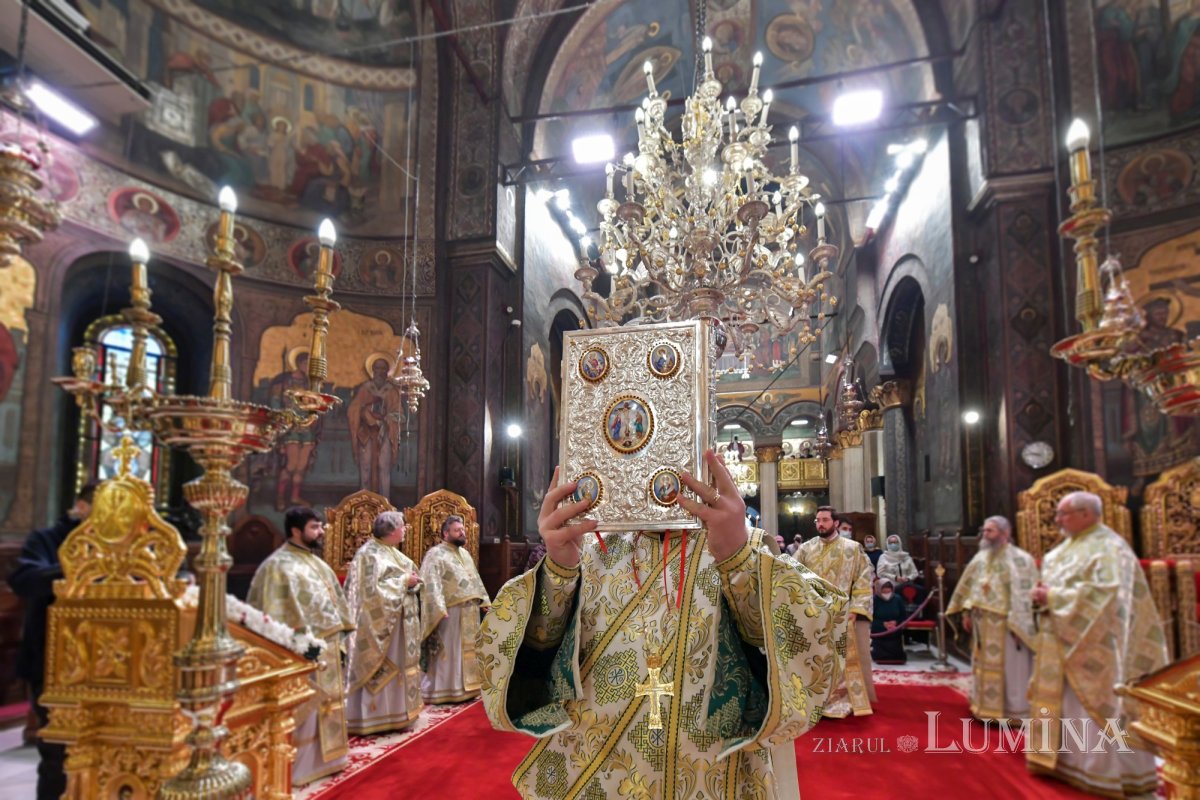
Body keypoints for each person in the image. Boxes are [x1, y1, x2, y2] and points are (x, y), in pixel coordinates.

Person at [479, 451, 846, 798]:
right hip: (594, 770)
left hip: (712, 775)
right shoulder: (589, 548)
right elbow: (535, 651)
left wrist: (739, 561)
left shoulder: (739, 543)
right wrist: (558, 571)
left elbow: (805, 649)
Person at [1026, 491, 1168, 798]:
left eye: (1064, 514)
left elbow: (1107, 594)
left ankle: (1101, 772)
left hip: (1097, 645)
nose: (1057, 520)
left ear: (1087, 514)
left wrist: (1051, 597)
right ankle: (1067, 762)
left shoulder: (1109, 547)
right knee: (1066, 706)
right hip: (1060, 639)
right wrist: (1042, 595)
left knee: (1096, 707)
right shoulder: (1066, 548)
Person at [247, 507, 353, 785]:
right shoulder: (277, 566)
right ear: (296, 531)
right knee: (307, 704)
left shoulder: (316, 562)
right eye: (315, 527)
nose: (321, 532)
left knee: (328, 705)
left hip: (326, 645)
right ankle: (299, 766)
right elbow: (270, 613)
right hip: (299, 651)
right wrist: (296, 645)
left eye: (320, 527)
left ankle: (330, 759)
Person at [8, 482, 97, 800]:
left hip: (108, 666)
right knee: (57, 754)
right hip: (50, 662)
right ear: (81, 508)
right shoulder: (46, 540)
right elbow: (23, 581)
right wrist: (76, 570)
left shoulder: (129, 546)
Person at [946, 515, 1038, 722]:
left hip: (1007, 625)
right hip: (982, 622)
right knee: (982, 666)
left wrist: (1020, 624)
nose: (985, 535)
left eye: (990, 531)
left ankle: (1013, 711)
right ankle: (984, 707)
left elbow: (1024, 595)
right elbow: (970, 588)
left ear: (1005, 533)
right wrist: (967, 613)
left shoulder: (1020, 560)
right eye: (984, 530)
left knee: (1011, 668)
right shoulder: (981, 557)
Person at [343, 511, 424, 735]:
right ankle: (374, 716)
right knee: (385, 668)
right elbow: (367, 593)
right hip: (381, 626)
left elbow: (407, 577)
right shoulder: (368, 555)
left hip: (399, 625)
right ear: (390, 530)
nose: (406, 529)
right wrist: (404, 582)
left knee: (400, 666)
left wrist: (412, 582)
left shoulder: (391, 552)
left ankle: (400, 712)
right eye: (403, 526)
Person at [795, 505, 876, 717]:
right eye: (817, 521)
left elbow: (863, 580)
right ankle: (813, 701)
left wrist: (856, 608)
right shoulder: (805, 549)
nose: (820, 524)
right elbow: (791, 578)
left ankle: (839, 699)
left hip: (843, 614)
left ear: (836, 523)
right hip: (813, 614)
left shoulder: (853, 548)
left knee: (841, 660)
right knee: (814, 658)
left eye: (825, 520)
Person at [419, 514, 490, 703]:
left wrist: (485, 601)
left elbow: (474, 579)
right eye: (457, 530)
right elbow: (430, 582)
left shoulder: (465, 554)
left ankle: (466, 688)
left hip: (469, 611)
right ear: (445, 533)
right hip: (450, 611)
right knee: (449, 651)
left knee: (466, 651)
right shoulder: (435, 554)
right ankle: (443, 689)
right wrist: (438, 608)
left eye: (463, 530)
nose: (462, 533)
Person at [347, 357, 403, 499]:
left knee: (384, 468)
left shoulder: (392, 391)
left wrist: (385, 420)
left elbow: (399, 414)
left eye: (383, 369)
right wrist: (365, 412)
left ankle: (385, 503)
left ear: (387, 371)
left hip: (385, 433)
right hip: (366, 434)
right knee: (365, 467)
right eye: (377, 368)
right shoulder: (365, 389)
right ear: (372, 370)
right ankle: (364, 501)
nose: (380, 372)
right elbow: (353, 409)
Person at [870, 580, 907, 664]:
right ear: (879, 589)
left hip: (895, 630)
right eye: (884, 589)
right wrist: (883, 624)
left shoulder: (897, 599)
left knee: (898, 656)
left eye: (889, 589)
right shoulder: (874, 600)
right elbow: (870, 618)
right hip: (879, 631)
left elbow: (903, 616)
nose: (887, 592)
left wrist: (895, 623)